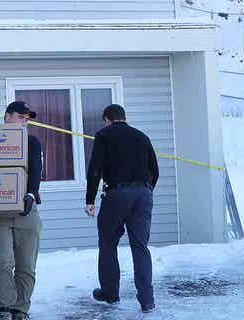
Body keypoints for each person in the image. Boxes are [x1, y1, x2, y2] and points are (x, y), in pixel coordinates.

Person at [85, 104, 159, 313]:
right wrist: (145, 191)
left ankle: (110, 292)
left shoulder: (103, 135)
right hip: (143, 194)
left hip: (117, 194)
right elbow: (155, 170)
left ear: (107, 119)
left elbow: (95, 169)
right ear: (124, 118)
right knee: (140, 246)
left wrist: (90, 200)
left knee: (108, 242)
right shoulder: (142, 136)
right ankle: (147, 300)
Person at [0, 101, 43, 320]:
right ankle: (5, 308)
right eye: (20, 116)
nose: (25, 121)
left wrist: (31, 193)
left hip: (26, 209)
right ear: (7, 117)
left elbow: (36, 170)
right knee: (4, 261)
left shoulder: (31, 142)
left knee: (26, 264)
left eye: (27, 118)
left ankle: (21, 310)